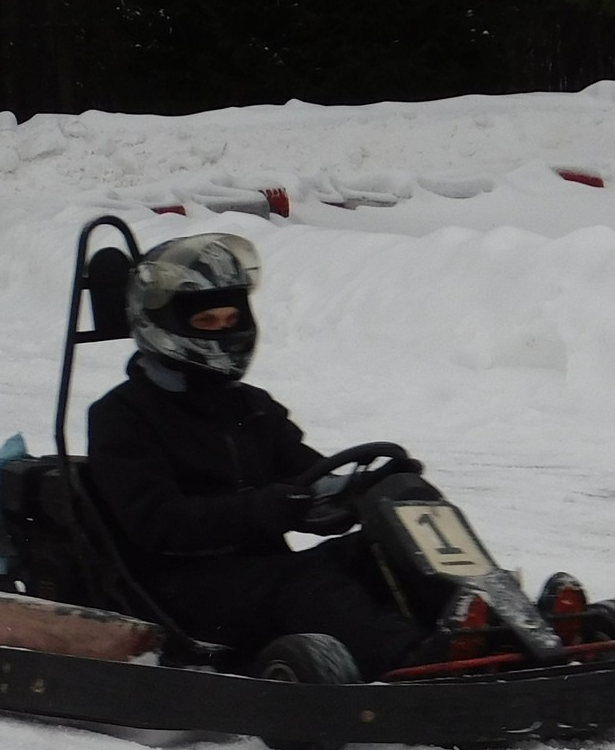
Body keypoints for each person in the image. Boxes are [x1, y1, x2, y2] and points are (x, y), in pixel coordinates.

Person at [85, 232, 445, 677]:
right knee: (307, 586)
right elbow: (157, 523)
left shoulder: (252, 407)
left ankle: (491, 627)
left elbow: (310, 477)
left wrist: (366, 489)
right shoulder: (121, 417)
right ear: (166, 327)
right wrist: (258, 511)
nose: (225, 331)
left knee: (381, 552)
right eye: (209, 322)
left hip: (259, 576)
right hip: (179, 595)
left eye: (231, 318)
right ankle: (413, 662)